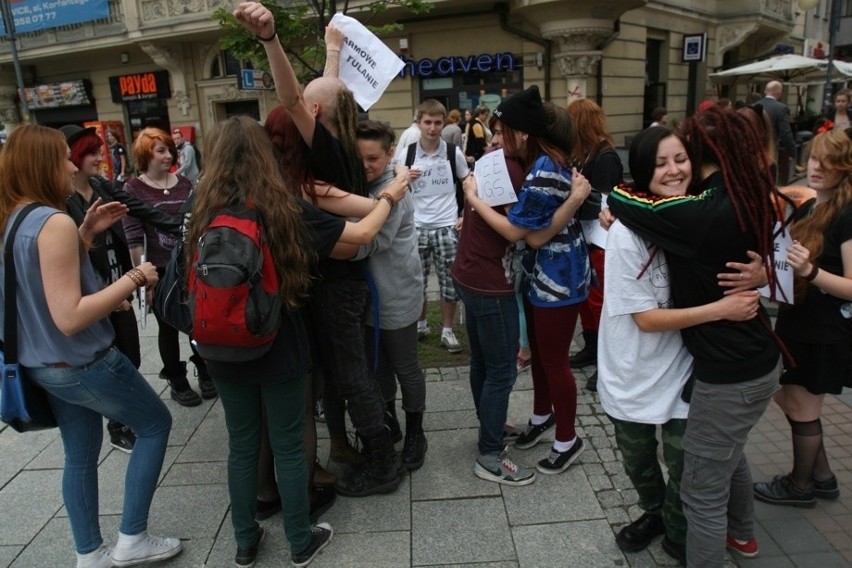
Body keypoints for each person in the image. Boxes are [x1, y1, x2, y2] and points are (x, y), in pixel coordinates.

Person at [235, 1, 407, 497]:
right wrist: (333, 51)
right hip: (340, 284)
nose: (300, 107)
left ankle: (382, 463)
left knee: (351, 377)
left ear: (314, 114)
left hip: (335, 289)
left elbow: (295, 98)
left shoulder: (325, 154)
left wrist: (271, 41)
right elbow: (324, 94)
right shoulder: (339, 142)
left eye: (308, 104)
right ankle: (358, 447)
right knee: (343, 376)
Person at [0, 124, 181, 568]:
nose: (69, 164)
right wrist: (134, 279)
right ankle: (132, 539)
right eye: (62, 156)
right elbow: (70, 314)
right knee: (155, 425)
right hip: (84, 362)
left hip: (43, 364)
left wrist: (85, 235)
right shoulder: (51, 220)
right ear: (41, 163)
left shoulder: (14, 217)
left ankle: (89, 552)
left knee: (79, 453)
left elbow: (38, 285)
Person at [608, 107, 783, 565]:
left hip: (720, 373)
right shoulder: (731, 197)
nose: (673, 170)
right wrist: (757, 279)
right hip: (697, 363)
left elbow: (627, 200)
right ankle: (736, 533)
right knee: (722, 455)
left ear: (701, 155)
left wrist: (615, 193)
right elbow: (643, 317)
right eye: (661, 162)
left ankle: (684, 539)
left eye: (681, 157)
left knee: (701, 488)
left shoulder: (699, 211)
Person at [187, 116, 336, 568]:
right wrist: (389, 197)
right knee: (290, 444)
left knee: (242, 444)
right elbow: (357, 236)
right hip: (279, 342)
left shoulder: (201, 211)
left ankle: (245, 542)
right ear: (263, 154)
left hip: (220, 346)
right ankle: (298, 540)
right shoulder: (282, 206)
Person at [460, 87, 592, 479]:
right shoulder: (538, 163)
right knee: (538, 355)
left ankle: (568, 441)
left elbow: (528, 236)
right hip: (542, 274)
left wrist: (474, 200)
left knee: (554, 361)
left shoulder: (544, 170)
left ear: (524, 132)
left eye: (504, 131)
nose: (497, 139)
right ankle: (541, 416)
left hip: (558, 278)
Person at [61, 124, 181, 454]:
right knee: (106, 360)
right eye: (93, 153)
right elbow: (70, 259)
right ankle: (118, 424)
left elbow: (143, 210)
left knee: (129, 354)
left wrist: (189, 226)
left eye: (100, 151)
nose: (101, 158)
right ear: (74, 156)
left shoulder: (101, 186)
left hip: (117, 280)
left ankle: (121, 417)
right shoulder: (60, 202)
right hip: (91, 292)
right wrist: (108, 293)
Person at [753, 127, 852, 508]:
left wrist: (811, 272)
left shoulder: (846, 214)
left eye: (828, 162)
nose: (817, 167)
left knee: (802, 406)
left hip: (823, 329)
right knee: (791, 400)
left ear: (844, 168)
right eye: (813, 158)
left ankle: (800, 485)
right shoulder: (813, 205)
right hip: (801, 320)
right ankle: (822, 477)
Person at [355, 120, 428, 471]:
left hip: (398, 294)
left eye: (373, 158)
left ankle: (416, 430)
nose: (366, 165)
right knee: (379, 366)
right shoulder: (364, 185)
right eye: (360, 158)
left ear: (388, 155)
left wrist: (326, 245)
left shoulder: (395, 191)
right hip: (371, 299)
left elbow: (375, 242)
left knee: (405, 366)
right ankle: (390, 421)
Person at [122, 127, 213, 406]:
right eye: (161, 150)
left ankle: (205, 369)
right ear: (144, 154)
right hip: (157, 271)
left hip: (188, 266)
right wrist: (143, 282)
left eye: (169, 150)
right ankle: (176, 379)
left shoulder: (185, 183)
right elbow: (134, 239)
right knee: (168, 326)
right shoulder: (133, 189)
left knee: (198, 320)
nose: (168, 155)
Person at [402, 98, 470, 353]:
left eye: (437, 123)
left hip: (446, 225)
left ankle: (448, 330)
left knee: (448, 282)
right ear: (418, 122)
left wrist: (466, 214)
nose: (432, 128)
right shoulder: (407, 153)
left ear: (444, 124)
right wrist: (403, 176)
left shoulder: (453, 152)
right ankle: (420, 325)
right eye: (427, 122)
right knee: (415, 281)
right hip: (416, 226)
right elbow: (394, 184)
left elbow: (467, 183)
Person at [564, 98, 623, 392]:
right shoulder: (586, 154)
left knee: (599, 304)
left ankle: (606, 363)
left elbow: (604, 203)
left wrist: (573, 197)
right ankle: (591, 348)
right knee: (587, 301)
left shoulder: (606, 157)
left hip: (601, 240)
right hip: (586, 237)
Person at [762, 80, 797, 184]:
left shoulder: (754, 105)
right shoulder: (781, 108)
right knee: (771, 177)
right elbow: (785, 133)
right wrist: (792, 152)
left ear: (765, 91)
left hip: (755, 148)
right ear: (778, 93)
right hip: (771, 149)